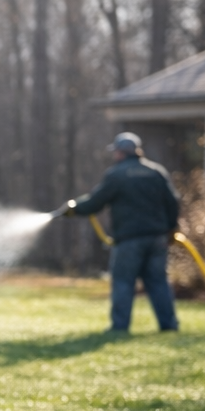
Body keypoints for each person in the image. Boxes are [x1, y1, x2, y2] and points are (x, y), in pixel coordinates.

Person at [61, 132, 181, 333]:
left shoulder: (117, 174)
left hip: (129, 240)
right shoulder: (156, 172)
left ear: (120, 153)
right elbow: (173, 202)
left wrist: (74, 208)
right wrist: (171, 227)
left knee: (124, 282)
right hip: (158, 238)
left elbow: (96, 201)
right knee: (158, 282)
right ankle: (169, 326)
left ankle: (120, 327)